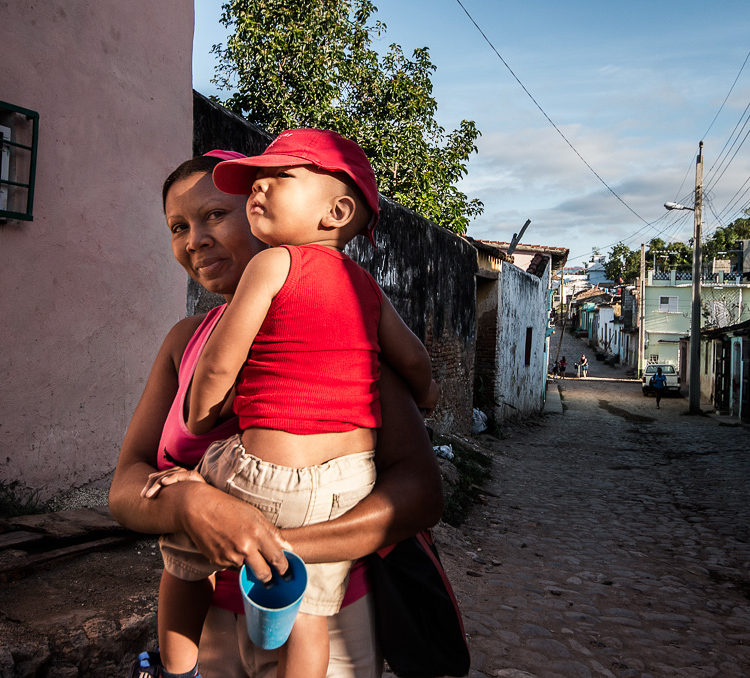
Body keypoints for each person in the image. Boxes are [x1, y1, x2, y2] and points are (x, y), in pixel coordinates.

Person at [109, 149, 443, 678]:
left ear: (265, 211)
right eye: (178, 226)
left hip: (325, 623)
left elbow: (421, 496)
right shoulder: (184, 341)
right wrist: (194, 506)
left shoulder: (341, 330)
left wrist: (271, 546)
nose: (194, 238)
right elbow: (126, 486)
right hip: (209, 628)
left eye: (216, 214)